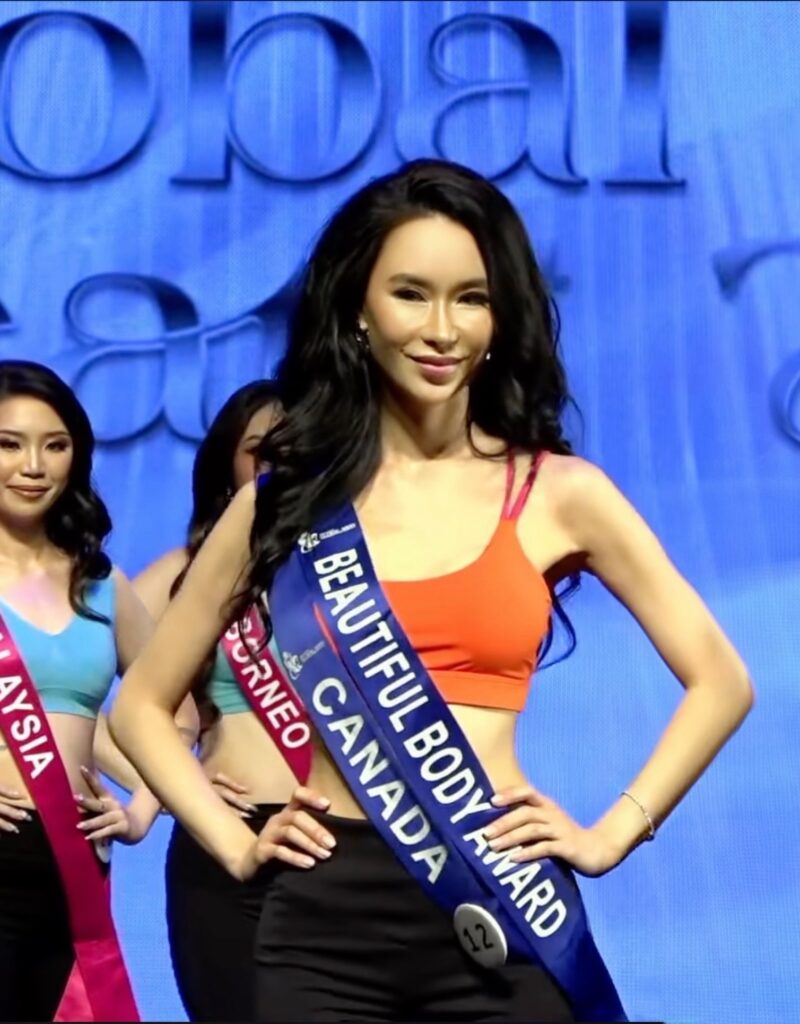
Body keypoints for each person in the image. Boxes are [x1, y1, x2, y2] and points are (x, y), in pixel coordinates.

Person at [111, 160, 754, 1023]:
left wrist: (612, 833)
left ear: (500, 318)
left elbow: (722, 680)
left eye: (471, 298)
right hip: (322, 919)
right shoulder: (285, 503)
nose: (443, 329)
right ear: (358, 312)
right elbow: (141, 707)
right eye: (411, 294)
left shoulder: (560, 493)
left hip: (504, 893)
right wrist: (232, 843)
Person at [0, 360, 162, 1023]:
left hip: (73, 870)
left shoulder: (101, 583)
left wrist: (142, 811)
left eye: (56, 445)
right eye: (9, 444)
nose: (34, 466)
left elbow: (170, 711)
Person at [131, 380, 297, 1022]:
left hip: (344, 845)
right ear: (229, 462)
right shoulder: (186, 574)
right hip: (223, 845)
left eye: (297, 447)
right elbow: (73, 680)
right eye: (260, 450)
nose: (279, 464)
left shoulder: (365, 573)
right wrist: (167, 786)